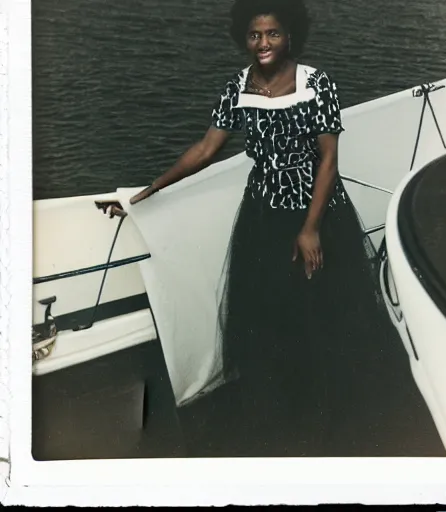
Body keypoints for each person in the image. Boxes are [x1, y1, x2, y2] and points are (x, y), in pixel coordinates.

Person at [125, 0, 389, 456]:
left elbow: (328, 160)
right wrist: (153, 187)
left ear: (290, 36)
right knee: (270, 318)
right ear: (243, 38)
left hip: (316, 214)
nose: (263, 44)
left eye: (272, 34)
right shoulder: (237, 88)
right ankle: (282, 415)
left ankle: (325, 419)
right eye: (254, 35)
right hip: (263, 217)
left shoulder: (316, 84)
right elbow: (206, 149)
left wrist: (310, 228)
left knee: (320, 316)